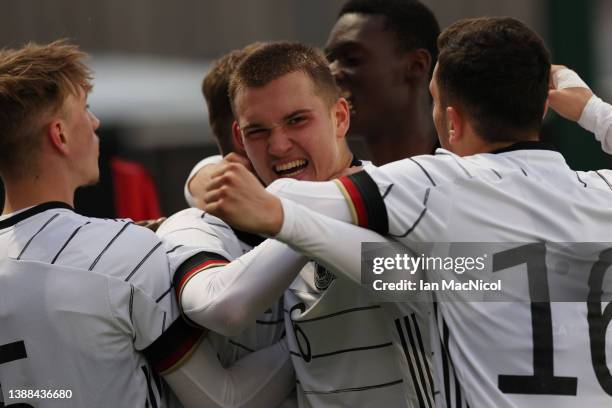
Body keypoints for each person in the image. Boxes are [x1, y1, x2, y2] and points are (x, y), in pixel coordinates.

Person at [203, 17, 612, 407]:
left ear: (451, 121)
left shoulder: (436, 184)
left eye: (434, 102)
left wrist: (221, 184)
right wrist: (593, 110)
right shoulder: (603, 191)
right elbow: (401, 273)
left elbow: (302, 203)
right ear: (542, 108)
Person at [0, 40, 293, 408]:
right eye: (85, 110)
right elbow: (223, 400)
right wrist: (309, 336)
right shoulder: (125, 253)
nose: (95, 122)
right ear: (59, 135)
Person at [176, 42, 433, 407]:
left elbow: (426, 281)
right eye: (258, 132)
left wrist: (287, 218)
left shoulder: (401, 203)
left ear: (340, 117)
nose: (279, 146)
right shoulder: (270, 213)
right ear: (240, 140)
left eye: (298, 120)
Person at [325, 0, 440, 164]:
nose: (331, 72)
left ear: (416, 66)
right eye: (329, 60)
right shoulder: (344, 183)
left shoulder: (470, 178)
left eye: (351, 59)